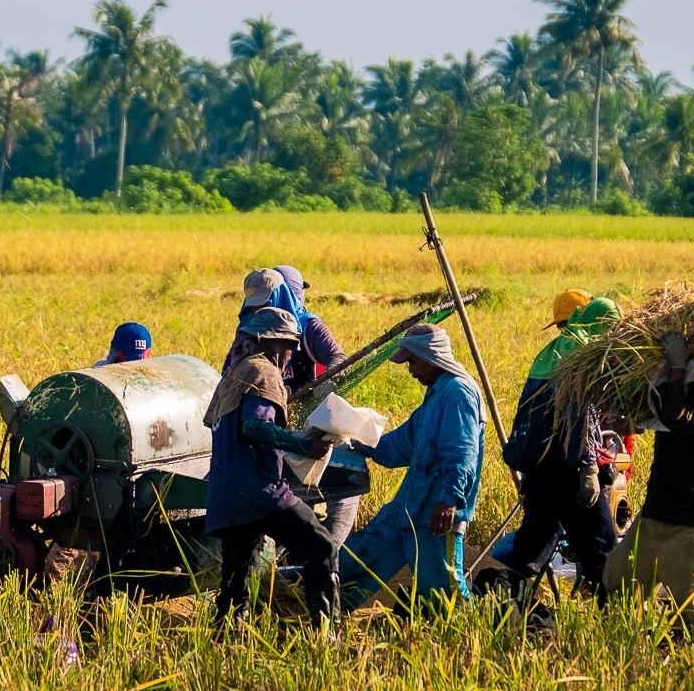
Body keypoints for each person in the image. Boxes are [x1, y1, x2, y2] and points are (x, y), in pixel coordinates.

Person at [203, 306, 339, 630]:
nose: (292, 353)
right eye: (288, 345)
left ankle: (226, 643)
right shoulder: (263, 371)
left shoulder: (232, 375)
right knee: (322, 546)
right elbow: (254, 427)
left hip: (226, 495)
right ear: (270, 343)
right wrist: (304, 444)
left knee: (236, 583)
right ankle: (325, 634)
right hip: (259, 492)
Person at [338, 323, 486, 613]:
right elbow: (401, 445)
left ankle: (470, 634)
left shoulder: (458, 393)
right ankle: (319, 611)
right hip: (410, 508)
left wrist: (448, 500)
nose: (411, 370)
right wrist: (357, 441)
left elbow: (461, 453)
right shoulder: (437, 395)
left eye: (413, 362)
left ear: (432, 357)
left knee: (443, 592)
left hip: (436, 515)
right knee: (358, 559)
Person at [603, 330, 694, 637]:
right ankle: (630, 639)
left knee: (688, 605)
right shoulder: (679, 401)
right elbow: (660, 412)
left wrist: (676, 368)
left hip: (692, 521)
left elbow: (678, 418)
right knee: (619, 578)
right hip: (655, 513)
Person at [494, 292, 621, 602]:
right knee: (603, 548)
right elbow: (577, 415)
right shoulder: (583, 352)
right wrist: (588, 467)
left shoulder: (552, 350)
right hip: (569, 471)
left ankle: (507, 609)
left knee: (531, 548)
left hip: (539, 469)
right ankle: (615, 620)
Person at [259, 265, 361, 549]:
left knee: (344, 485)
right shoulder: (260, 330)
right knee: (287, 493)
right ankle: (294, 557)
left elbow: (338, 358)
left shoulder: (308, 327)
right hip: (276, 428)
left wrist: (318, 392)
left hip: (315, 423)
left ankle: (329, 553)